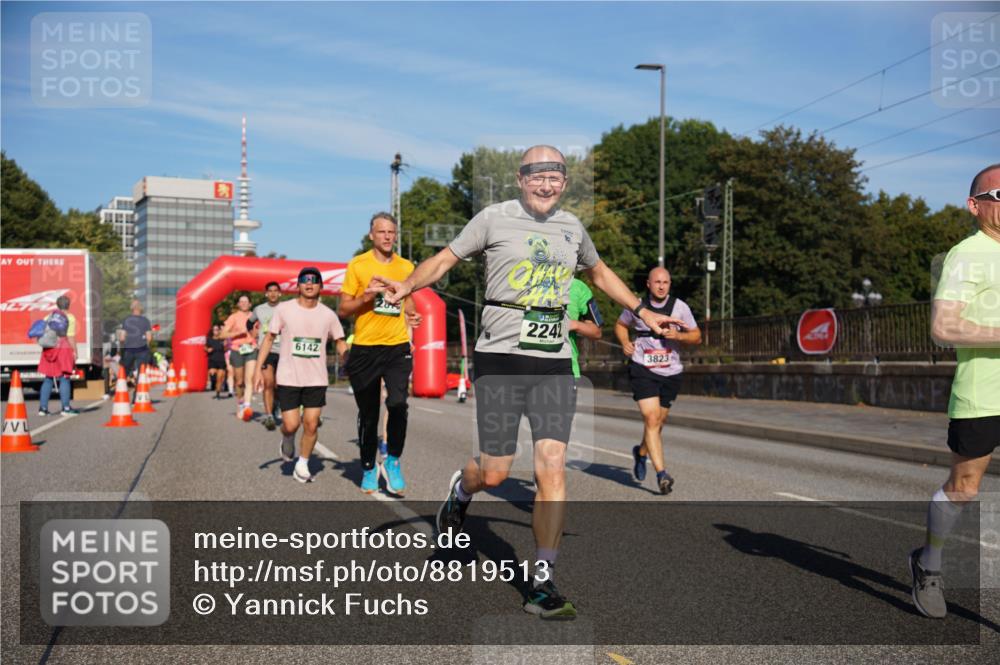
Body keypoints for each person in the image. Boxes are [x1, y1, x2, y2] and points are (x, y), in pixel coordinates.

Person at [370, 145, 686, 619]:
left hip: (554, 358)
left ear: (564, 183)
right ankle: (462, 490)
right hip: (499, 354)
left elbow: (599, 273)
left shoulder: (572, 228)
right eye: (538, 174)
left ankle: (543, 579)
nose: (547, 183)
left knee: (551, 466)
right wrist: (408, 285)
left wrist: (643, 313)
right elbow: (444, 260)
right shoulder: (492, 218)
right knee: (495, 472)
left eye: (556, 176)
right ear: (520, 179)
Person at [910, 163, 1000, 619]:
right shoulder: (968, 252)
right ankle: (930, 562)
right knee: (963, 488)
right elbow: (943, 327)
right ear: (975, 205)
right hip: (983, 395)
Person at [338, 212, 422, 495]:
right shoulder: (358, 265)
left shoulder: (406, 266)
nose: (387, 236)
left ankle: (393, 461)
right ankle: (368, 467)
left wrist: (413, 316)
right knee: (369, 413)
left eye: (391, 232)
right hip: (365, 348)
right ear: (371, 235)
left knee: (398, 404)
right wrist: (368, 295)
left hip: (397, 347)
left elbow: (407, 300)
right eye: (382, 231)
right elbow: (343, 309)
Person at [253, 267, 347, 484]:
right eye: (305, 280)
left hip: (316, 379)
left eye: (315, 281)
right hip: (288, 377)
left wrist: (348, 361)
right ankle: (287, 438)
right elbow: (268, 339)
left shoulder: (328, 315)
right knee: (291, 424)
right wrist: (259, 369)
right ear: (298, 285)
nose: (309, 284)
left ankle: (302, 463)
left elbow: (340, 341)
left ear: (321, 286)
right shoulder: (284, 310)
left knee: (312, 423)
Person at [614, 267, 701, 495]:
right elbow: (620, 325)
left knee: (658, 423)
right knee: (651, 418)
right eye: (657, 282)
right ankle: (662, 474)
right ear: (649, 284)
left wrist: (679, 336)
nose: (662, 286)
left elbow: (697, 335)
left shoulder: (680, 307)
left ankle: (641, 453)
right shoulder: (638, 307)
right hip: (643, 368)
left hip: (671, 371)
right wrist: (625, 343)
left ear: (670, 284)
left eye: (666, 282)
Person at [37, 295, 80, 416]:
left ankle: (43, 408)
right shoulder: (70, 317)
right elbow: (70, 337)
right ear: (68, 305)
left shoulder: (48, 316)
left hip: (49, 349)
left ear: (57, 305)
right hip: (63, 348)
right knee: (64, 377)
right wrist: (75, 351)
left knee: (48, 378)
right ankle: (66, 408)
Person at [249, 281, 284, 430]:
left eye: (276, 291)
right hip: (266, 350)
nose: (273, 293)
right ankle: (269, 416)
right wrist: (253, 334)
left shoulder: (286, 308)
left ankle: (276, 404)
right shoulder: (259, 309)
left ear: (280, 293)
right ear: (266, 294)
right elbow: (249, 323)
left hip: (283, 350)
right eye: (270, 291)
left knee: (279, 385)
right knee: (268, 382)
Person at [221, 294, 258, 419]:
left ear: (250, 304)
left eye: (245, 301)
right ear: (238, 304)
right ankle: (240, 402)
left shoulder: (255, 316)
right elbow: (222, 334)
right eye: (241, 301)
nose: (243, 303)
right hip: (237, 349)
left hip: (251, 348)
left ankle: (247, 406)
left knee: (249, 379)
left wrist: (256, 335)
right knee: (240, 381)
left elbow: (260, 330)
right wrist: (238, 332)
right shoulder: (233, 317)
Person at [567, 277, 603, 379]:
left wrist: (575, 325)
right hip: (521, 366)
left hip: (566, 368)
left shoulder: (578, 287)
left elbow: (597, 332)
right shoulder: (521, 281)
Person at [119, 300, 153, 382]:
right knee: (141, 371)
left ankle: (120, 388)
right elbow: (149, 338)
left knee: (125, 370)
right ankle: (139, 391)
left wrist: (123, 346)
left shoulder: (126, 320)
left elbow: (122, 338)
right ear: (141, 309)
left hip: (129, 349)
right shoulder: (145, 321)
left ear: (132, 309)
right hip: (142, 349)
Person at [204, 324, 229, 399]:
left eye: (217, 329)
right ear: (212, 331)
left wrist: (225, 346)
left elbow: (225, 350)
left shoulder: (222, 339)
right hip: (212, 360)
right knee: (213, 375)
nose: (216, 331)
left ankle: (218, 393)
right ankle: (213, 382)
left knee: (220, 378)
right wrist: (207, 349)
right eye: (214, 330)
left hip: (221, 360)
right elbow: (205, 347)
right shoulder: (209, 339)